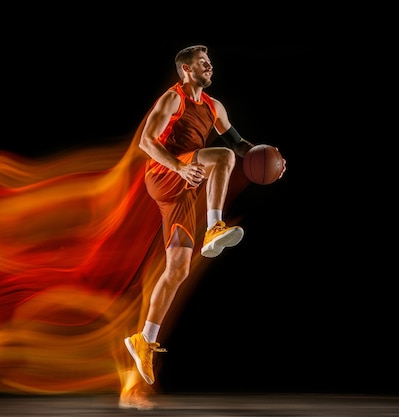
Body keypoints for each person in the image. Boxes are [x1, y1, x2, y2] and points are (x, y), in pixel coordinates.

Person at [123, 44, 286, 395]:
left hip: (184, 184)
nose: (210, 66)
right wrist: (179, 166)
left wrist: (270, 158)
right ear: (185, 70)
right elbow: (145, 142)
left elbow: (242, 147)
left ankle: (143, 340)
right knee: (221, 156)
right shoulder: (173, 99)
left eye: (209, 62)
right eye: (202, 63)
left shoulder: (215, 108)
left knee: (178, 269)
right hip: (164, 172)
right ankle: (214, 224)